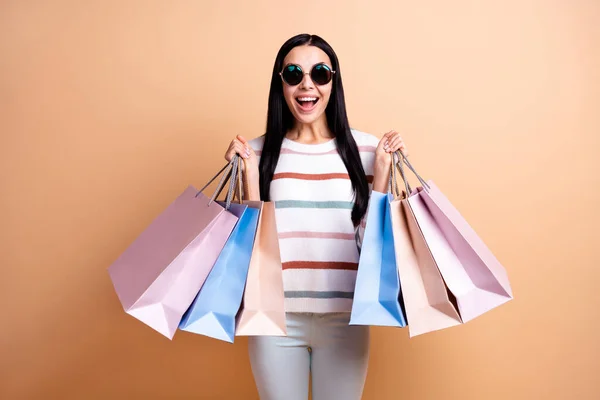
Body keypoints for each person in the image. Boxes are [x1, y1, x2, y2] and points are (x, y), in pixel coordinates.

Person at [223, 33, 408, 400]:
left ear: (333, 81)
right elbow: (251, 247)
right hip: (275, 320)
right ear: (281, 83)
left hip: (345, 319)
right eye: (294, 73)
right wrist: (245, 174)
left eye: (319, 73)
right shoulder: (257, 153)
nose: (307, 84)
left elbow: (373, 246)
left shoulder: (368, 150)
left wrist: (384, 175)